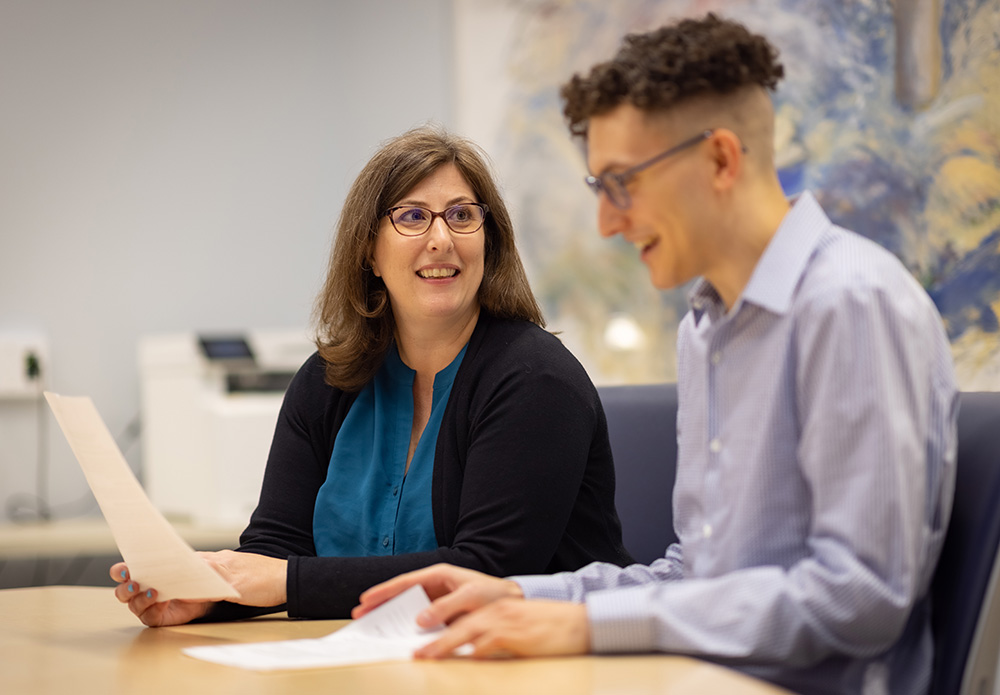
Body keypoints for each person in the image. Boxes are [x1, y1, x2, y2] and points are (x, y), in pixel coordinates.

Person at [354, 15, 958, 695]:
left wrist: (587, 627)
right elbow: (696, 577)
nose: (609, 222)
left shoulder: (850, 304)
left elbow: (858, 598)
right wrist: (519, 595)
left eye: (623, 183)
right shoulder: (707, 328)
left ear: (722, 159)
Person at [110, 126, 632, 624]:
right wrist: (210, 594)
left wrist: (287, 582)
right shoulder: (327, 381)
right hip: (369, 659)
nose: (441, 239)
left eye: (462, 215)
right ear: (369, 251)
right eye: (411, 217)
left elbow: (486, 570)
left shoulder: (534, 380)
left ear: (488, 242)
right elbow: (273, 551)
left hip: (541, 669)